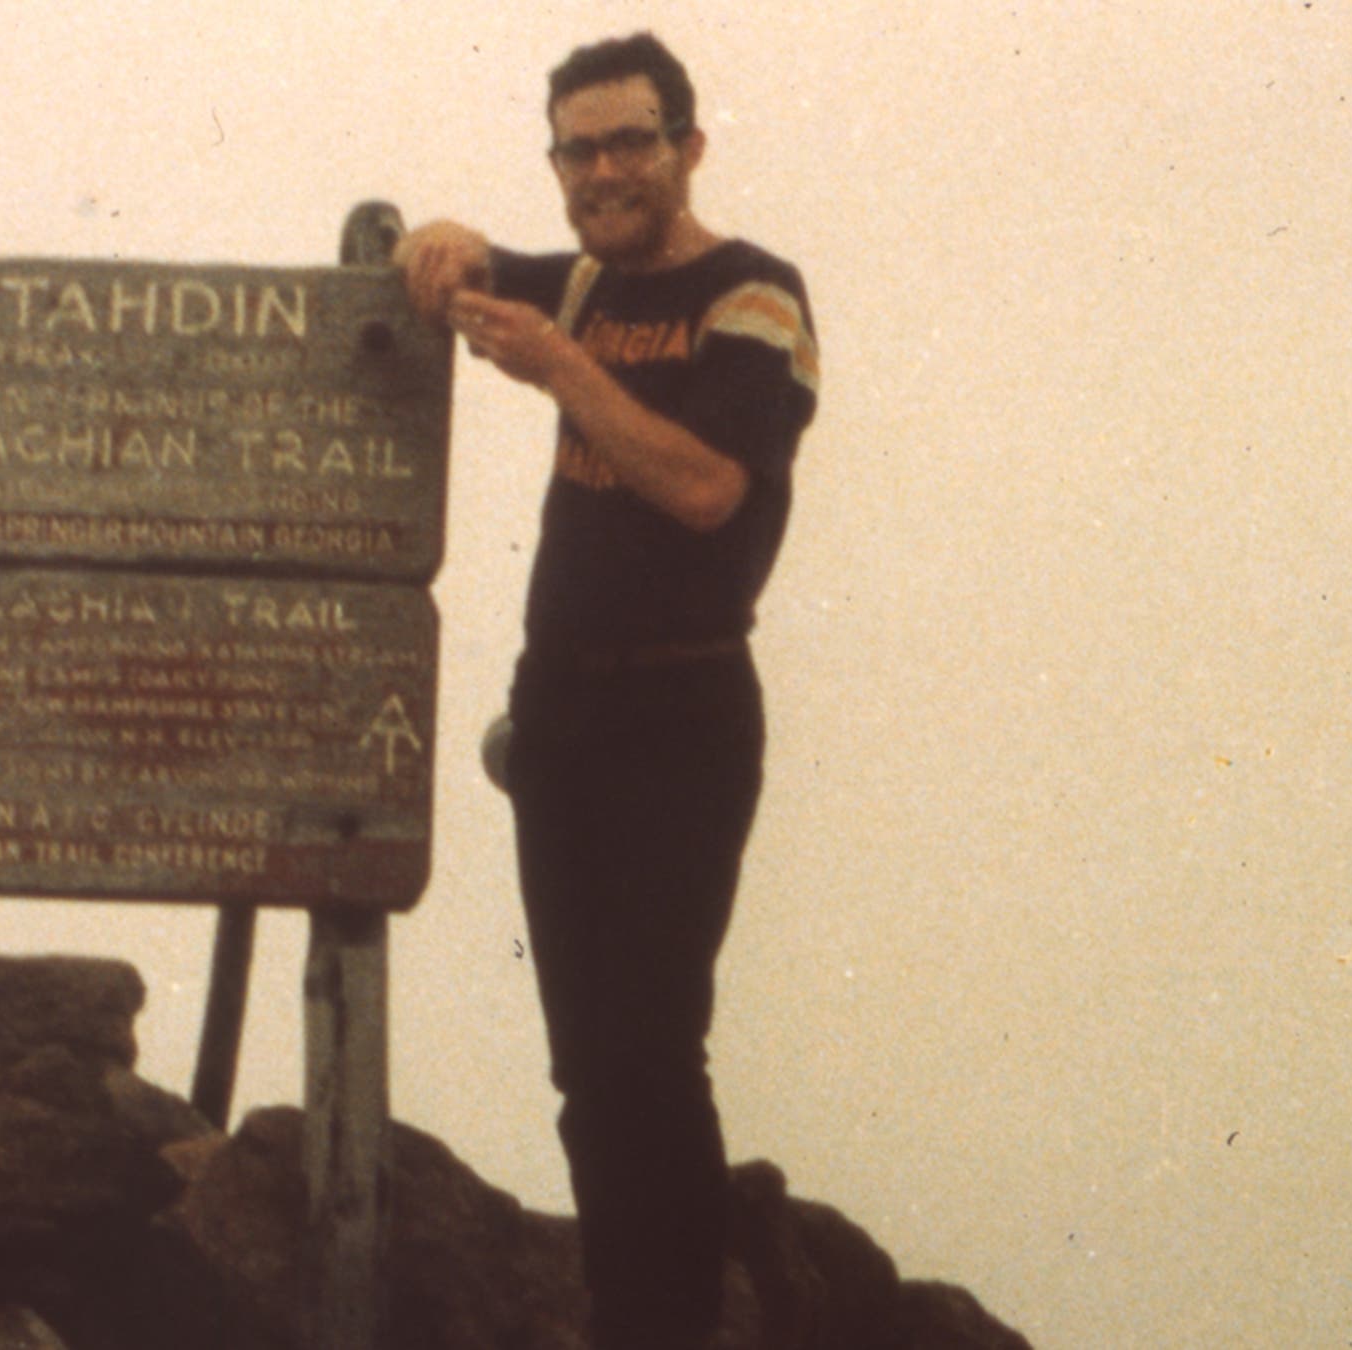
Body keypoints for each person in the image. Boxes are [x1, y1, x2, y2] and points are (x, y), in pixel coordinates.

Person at [395, 32, 820, 1350]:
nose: (603, 168)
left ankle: (670, 1321)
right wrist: (447, 242)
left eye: (631, 140)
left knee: (648, 1047)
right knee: (591, 1064)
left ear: (688, 147)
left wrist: (565, 370)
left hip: (683, 718)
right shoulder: (578, 279)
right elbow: (477, 265)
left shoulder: (754, 298)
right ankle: (631, 1312)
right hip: (562, 713)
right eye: (576, 148)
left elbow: (705, 488)